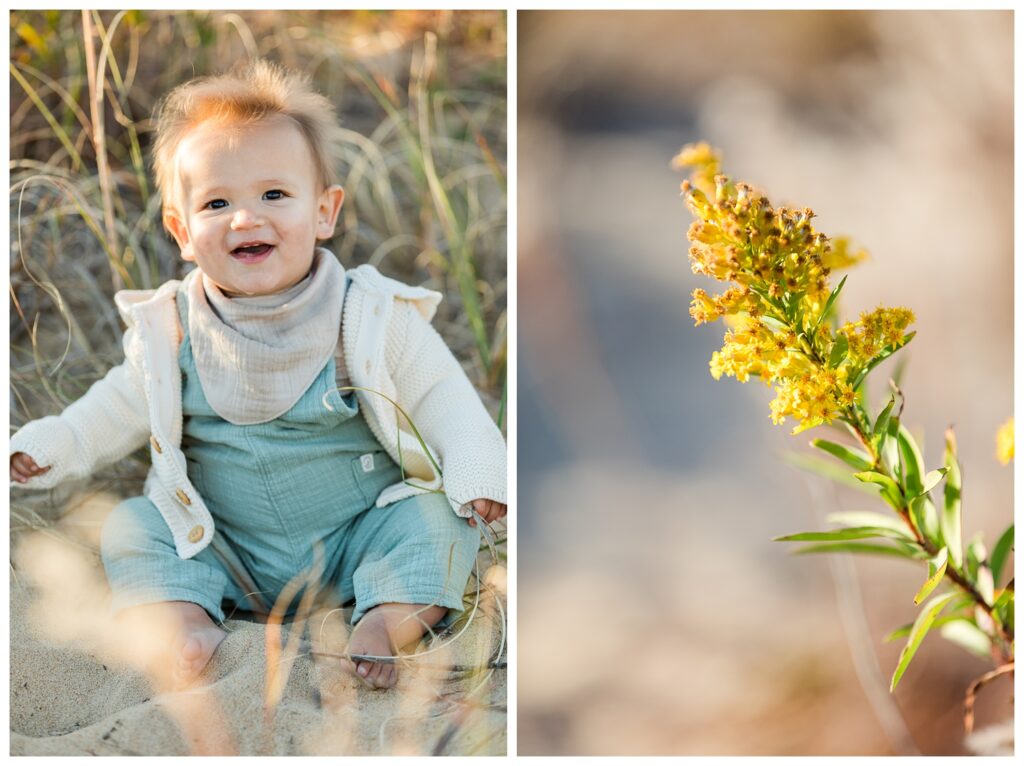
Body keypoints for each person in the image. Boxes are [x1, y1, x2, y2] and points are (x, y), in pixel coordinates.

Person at [9, 60, 507, 691]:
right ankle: (187, 617)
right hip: (225, 546)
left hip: (361, 538)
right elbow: (112, 409)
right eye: (217, 202)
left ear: (324, 212)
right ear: (182, 231)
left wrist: (479, 471)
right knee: (132, 524)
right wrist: (52, 443)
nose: (246, 218)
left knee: (436, 519)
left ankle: (385, 619)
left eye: (274, 195)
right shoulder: (171, 330)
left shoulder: (369, 314)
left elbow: (445, 401)